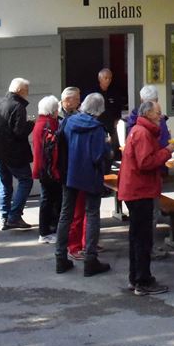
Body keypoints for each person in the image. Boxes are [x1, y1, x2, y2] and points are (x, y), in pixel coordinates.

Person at [118, 100, 173, 295]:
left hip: (135, 189)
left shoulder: (140, 130)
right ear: (148, 114)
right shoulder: (142, 133)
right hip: (140, 191)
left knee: (137, 237)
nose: (160, 116)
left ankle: (136, 278)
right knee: (142, 238)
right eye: (158, 112)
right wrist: (167, 152)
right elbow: (145, 162)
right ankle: (142, 280)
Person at [54, 92, 111, 277]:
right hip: (90, 175)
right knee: (92, 214)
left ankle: (60, 258)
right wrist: (107, 146)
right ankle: (90, 260)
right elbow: (98, 156)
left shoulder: (69, 121)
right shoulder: (98, 128)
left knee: (66, 215)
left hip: (70, 173)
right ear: (100, 109)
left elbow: (60, 144)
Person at [0, 77, 34, 230]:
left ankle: (4, 216)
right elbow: (19, 132)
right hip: (14, 152)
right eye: (26, 90)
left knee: (4, 183)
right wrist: (30, 124)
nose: (28, 93)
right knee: (26, 180)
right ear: (20, 91)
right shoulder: (18, 106)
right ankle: (14, 216)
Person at [58, 87, 90, 260]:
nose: (79, 101)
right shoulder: (62, 119)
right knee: (72, 212)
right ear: (68, 100)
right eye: (77, 98)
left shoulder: (75, 116)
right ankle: (73, 247)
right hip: (70, 172)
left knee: (81, 210)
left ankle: (86, 241)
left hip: (74, 171)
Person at [31, 95, 64, 244]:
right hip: (49, 169)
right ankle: (45, 232)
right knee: (49, 200)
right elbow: (52, 150)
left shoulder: (42, 123)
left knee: (49, 199)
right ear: (52, 111)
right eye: (56, 109)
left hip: (44, 168)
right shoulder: (48, 125)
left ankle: (48, 230)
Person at [97, 68, 125, 159]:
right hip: (98, 124)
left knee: (112, 148)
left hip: (111, 125)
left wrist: (117, 119)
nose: (108, 80)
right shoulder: (94, 92)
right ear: (100, 79)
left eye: (110, 78)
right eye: (106, 78)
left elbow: (118, 108)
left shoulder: (114, 92)